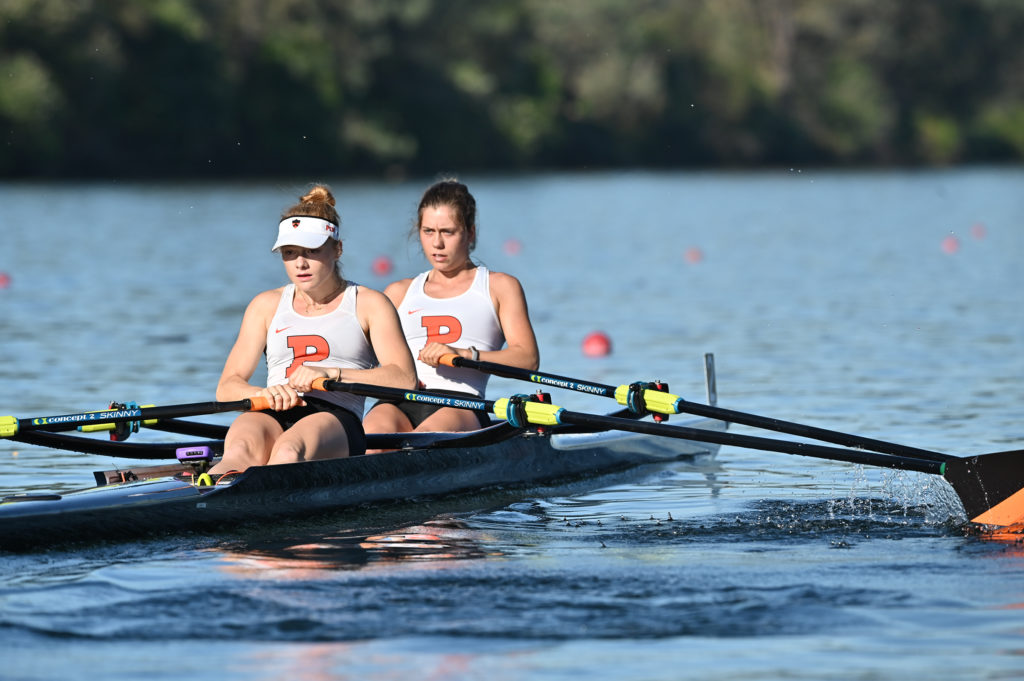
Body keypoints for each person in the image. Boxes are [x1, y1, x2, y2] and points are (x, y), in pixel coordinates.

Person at [209, 185, 416, 474]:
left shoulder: (369, 304)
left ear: (338, 249)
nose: (300, 263)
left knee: (289, 450)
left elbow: (404, 379)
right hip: (271, 409)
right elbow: (227, 386)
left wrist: (332, 373)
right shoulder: (265, 305)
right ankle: (210, 499)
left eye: (312, 251)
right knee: (239, 450)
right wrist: (263, 393)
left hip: (334, 417)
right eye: (290, 253)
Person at [362, 179, 539, 434]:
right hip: (399, 401)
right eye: (428, 231)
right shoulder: (398, 293)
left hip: (460, 404)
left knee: (424, 441)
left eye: (448, 232)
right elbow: (360, 359)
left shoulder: (499, 287)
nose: (437, 243)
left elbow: (528, 359)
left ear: (470, 233)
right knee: (371, 440)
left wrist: (466, 355)